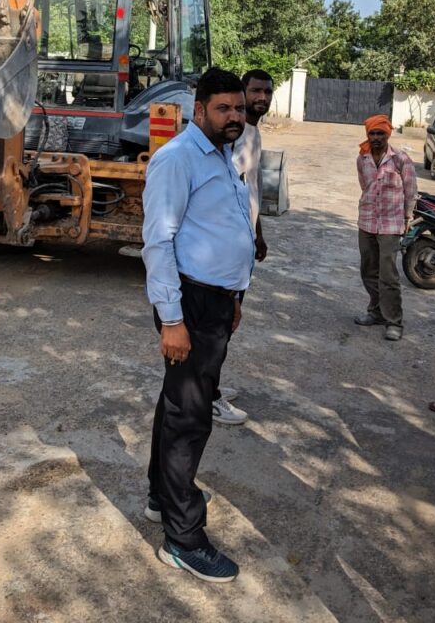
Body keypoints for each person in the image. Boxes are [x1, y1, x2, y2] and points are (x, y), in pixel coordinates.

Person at [142, 67, 255, 583]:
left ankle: (159, 496)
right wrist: (172, 319)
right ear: (199, 108)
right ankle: (183, 540)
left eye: (239, 108)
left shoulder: (225, 154)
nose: (235, 116)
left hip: (215, 303)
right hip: (188, 305)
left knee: (179, 404)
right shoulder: (178, 159)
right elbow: (158, 243)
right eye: (224, 109)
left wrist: (234, 293)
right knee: (190, 417)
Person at [211, 69, 274, 426]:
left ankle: (211, 385)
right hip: (225, 247)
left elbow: (248, 188)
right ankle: (209, 396)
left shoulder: (252, 133)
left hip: (243, 244)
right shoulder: (231, 135)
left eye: (267, 91)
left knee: (226, 324)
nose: (262, 98)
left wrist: (258, 233)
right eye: (255, 91)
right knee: (219, 324)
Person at [355, 114, 417, 341]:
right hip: (367, 221)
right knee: (368, 271)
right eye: (372, 133)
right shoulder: (362, 159)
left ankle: (394, 322)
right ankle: (376, 312)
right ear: (367, 135)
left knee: (388, 276)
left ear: (388, 134)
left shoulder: (401, 159)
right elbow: (365, 186)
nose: (376, 137)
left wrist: (407, 217)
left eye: (380, 133)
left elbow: (410, 191)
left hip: (391, 225)